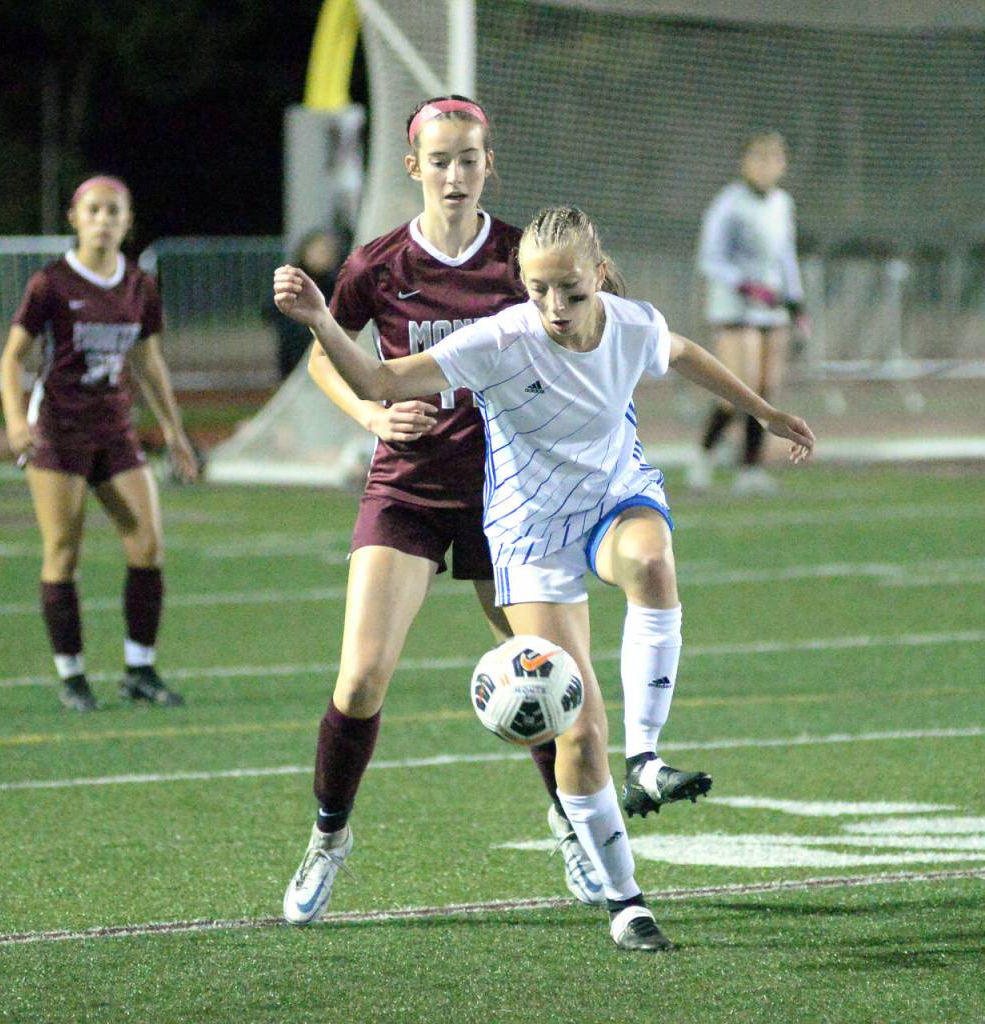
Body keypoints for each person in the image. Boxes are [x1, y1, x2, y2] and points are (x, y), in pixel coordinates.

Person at [274, 205, 815, 950]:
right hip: (529, 538)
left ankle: (648, 758)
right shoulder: (503, 339)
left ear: (597, 275)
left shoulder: (626, 322)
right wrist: (319, 321)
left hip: (612, 503)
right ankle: (628, 904)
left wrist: (762, 411)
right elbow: (376, 375)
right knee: (577, 727)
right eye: (536, 292)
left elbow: (684, 351)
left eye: (569, 291)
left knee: (653, 560)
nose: (555, 309)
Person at [279, 97, 604, 927]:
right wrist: (370, 416)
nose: (455, 175)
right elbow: (328, 357)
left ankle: (572, 828)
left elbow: (596, 312)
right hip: (409, 488)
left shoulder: (519, 257)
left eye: (470, 159)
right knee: (361, 677)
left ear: (488, 164)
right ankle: (328, 837)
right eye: (441, 160)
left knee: (546, 675)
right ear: (412, 167)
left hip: (510, 493)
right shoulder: (379, 264)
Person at [0, 175, 198, 712]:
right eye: (94, 210)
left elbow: (149, 363)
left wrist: (175, 432)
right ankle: (72, 676)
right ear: (75, 218)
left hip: (114, 429)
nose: (104, 219)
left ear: (127, 221)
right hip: (59, 433)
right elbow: (11, 358)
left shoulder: (140, 285)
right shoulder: (51, 283)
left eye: (114, 211)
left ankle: (139, 669)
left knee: (147, 544)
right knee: (63, 553)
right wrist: (17, 421)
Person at [690, 131, 809, 495]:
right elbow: (709, 259)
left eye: (773, 158)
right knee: (734, 391)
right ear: (744, 162)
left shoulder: (782, 203)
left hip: (771, 308)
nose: (766, 165)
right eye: (758, 157)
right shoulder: (729, 203)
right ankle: (703, 457)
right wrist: (744, 285)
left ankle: (750, 469)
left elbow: (786, 257)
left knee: (765, 389)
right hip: (735, 307)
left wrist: (797, 302)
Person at [264, 229, 345, 380]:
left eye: (327, 252)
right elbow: (270, 309)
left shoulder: (337, 284)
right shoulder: (291, 278)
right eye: (318, 251)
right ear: (305, 252)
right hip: (295, 355)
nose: (323, 256)